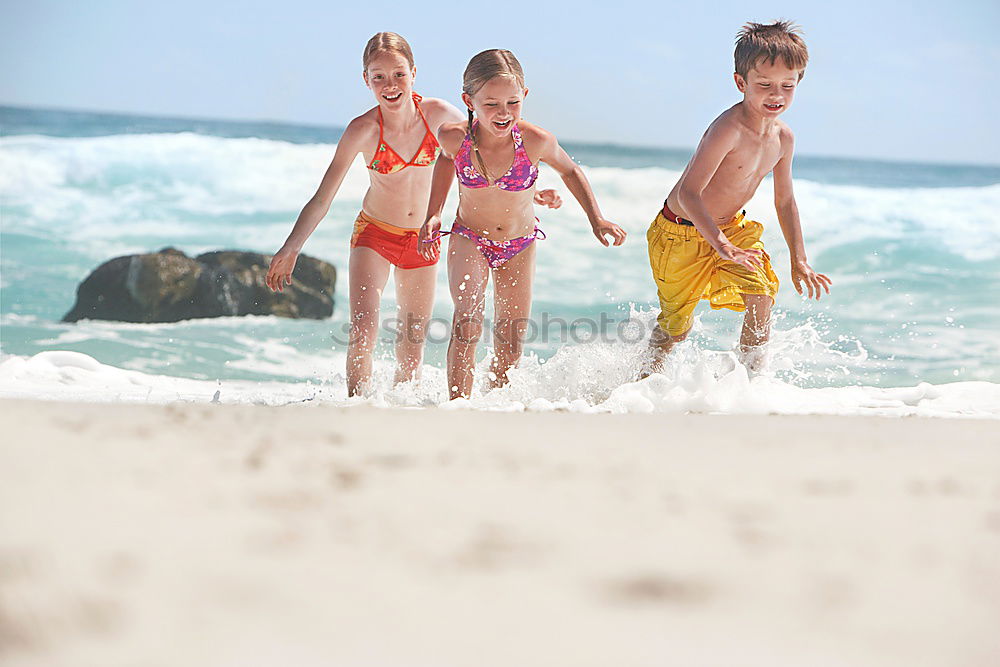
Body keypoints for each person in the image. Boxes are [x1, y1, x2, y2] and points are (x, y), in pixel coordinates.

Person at [419, 49, 627, 400]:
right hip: (470, 237)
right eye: (491, 105)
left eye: (512, 103)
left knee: (512, 339)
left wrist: (597, 219)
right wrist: (434, 212)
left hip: (520, 244)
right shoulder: (455, 137)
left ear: (524, 97)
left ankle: (497, 405)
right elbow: (445, 161)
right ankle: (458, 406)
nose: (503, 114)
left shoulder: (535, 141)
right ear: (468, 100)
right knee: (467, 322)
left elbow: (570, 170)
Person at [265, 32, 465, 396]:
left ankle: (401, 413)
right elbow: (323, 198)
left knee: (412, 342)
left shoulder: (437, 115)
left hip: (422, 239)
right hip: (374, 234)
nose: (390, 85)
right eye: (379, 77)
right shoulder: (362, 130)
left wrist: (533, 188)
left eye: (399, 74)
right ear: (366, 79)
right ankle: (357, 407)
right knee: (362, 332)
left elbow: (488, 150)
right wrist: (291, 247)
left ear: (414, 72)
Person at [643, 20, 831, 376]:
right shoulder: (728, 128)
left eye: (787, 86)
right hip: (679, 232)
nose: (776, 95)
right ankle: (640, 384)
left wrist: (799, 259)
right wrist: (719, 244)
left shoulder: (784, 138)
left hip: (731, 228)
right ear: (740, 83)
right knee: (675, 329)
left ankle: (750, 383)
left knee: (761, 295)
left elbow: (785, 201)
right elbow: (688, 192)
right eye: (764, 85)